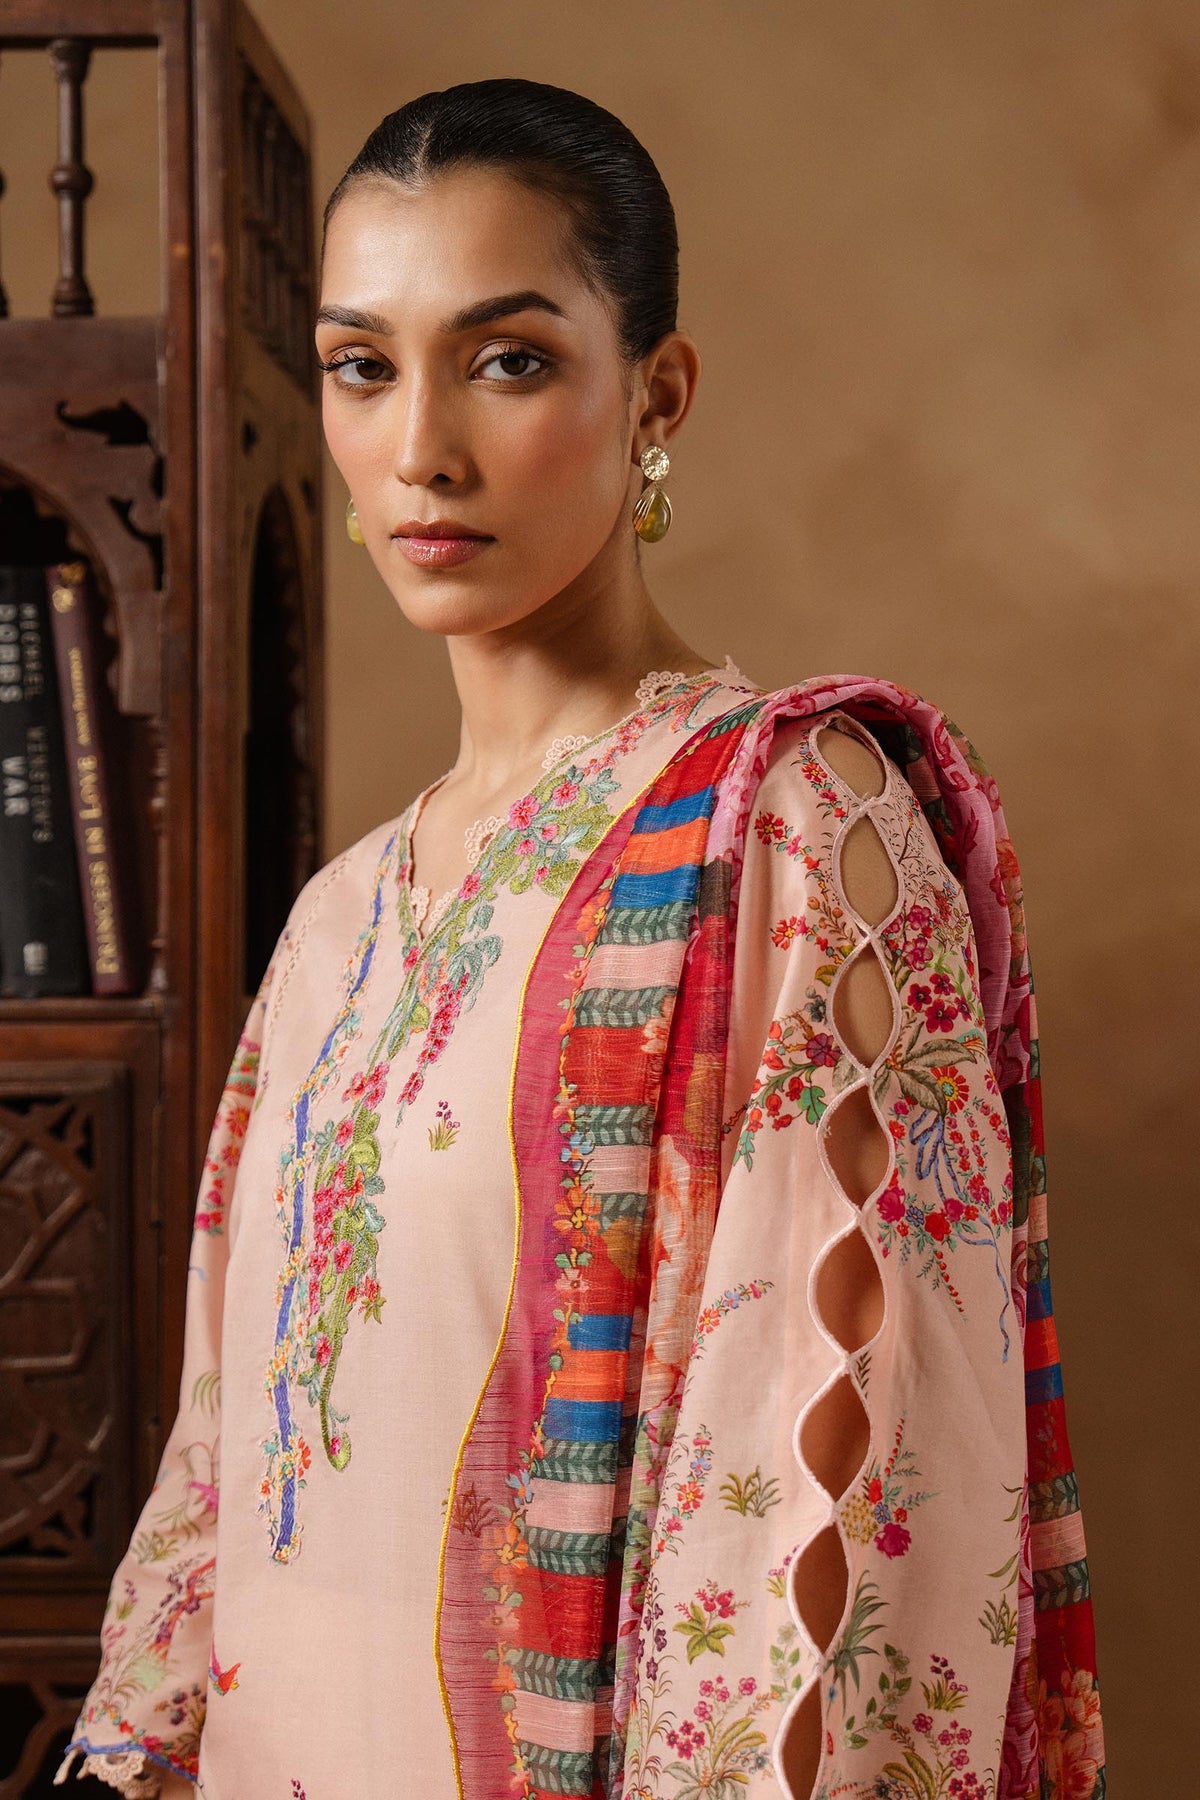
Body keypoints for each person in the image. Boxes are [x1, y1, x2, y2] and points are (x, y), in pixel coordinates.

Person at [56, 79, 1102, 1800]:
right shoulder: (340, 921)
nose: (421, 447)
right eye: (362, 366)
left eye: (507, 359)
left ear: (657, 395)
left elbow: (834, 1519)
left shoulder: (792, 830)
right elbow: (219, 1469)